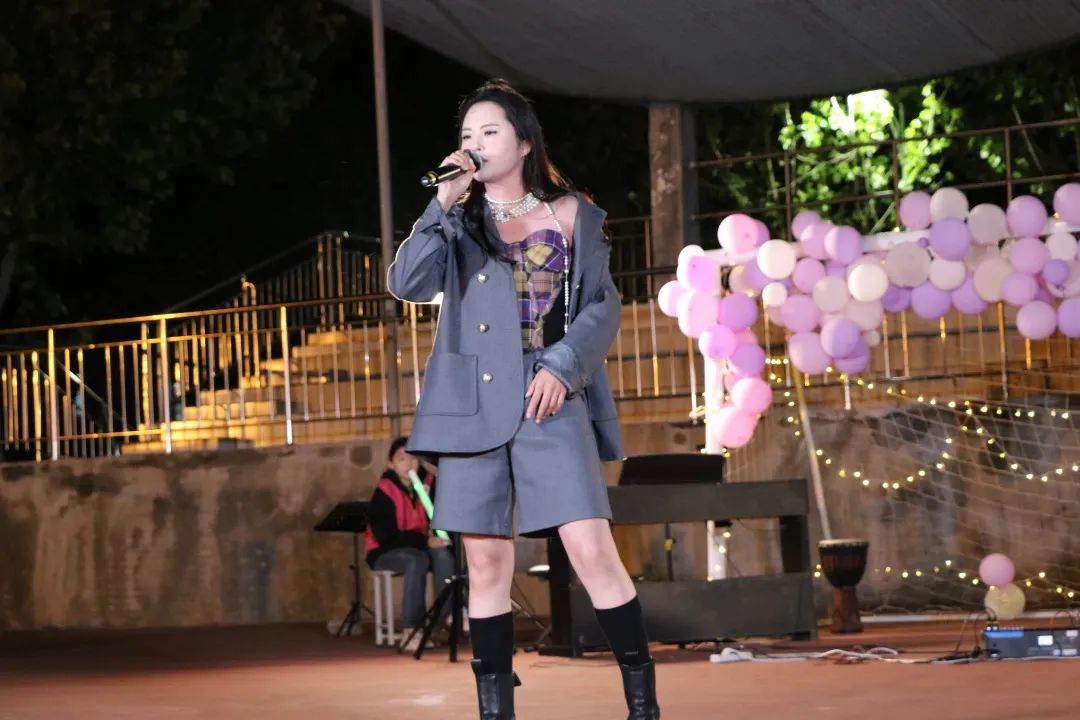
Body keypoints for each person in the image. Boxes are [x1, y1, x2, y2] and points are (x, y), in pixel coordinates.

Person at [388, 79, 659, 720]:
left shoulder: (572, 214)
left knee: (591, 548)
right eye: (467, 135)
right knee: (485, 563)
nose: (476, 144)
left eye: (490, 132)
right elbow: (407, 282)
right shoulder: (457, 222)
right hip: (472, 407)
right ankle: (496, 712)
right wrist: (441, 202)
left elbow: (602, 305)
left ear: (524, 143)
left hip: (548, 397)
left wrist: (562, 366)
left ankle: (643, 705)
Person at [364, 436, 455, 651]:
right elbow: (387, 536)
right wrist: (425, 541)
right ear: (391, 464)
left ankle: (448, 615)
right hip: (384, 551)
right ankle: (411, 629)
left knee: (444, 555)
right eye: (401, 459)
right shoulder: (384, 492)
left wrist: (440, 537)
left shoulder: (427, 485)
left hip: (419, 547)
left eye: (413, 459)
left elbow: (441, 517)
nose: (409, 464)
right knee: (417, 559)